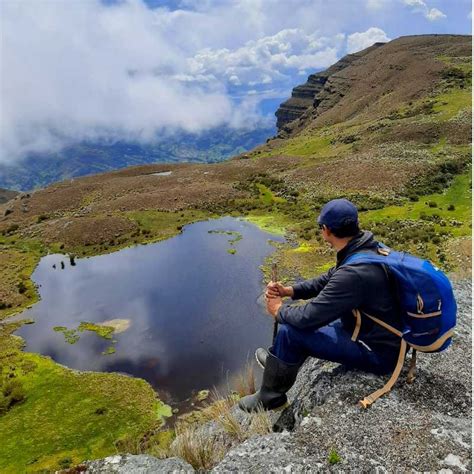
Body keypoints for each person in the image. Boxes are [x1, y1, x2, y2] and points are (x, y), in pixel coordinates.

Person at [239, 198, 403, 412]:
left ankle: (271, 397)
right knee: (297, 327)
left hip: (375, 351)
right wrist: (290, 291)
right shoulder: (366, 249)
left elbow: (310, 316)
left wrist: (278, 309)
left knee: (290, 331)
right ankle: (278, 362)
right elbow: (327, 279)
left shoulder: (354, 273)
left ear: (326, 230)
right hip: (374, 335)